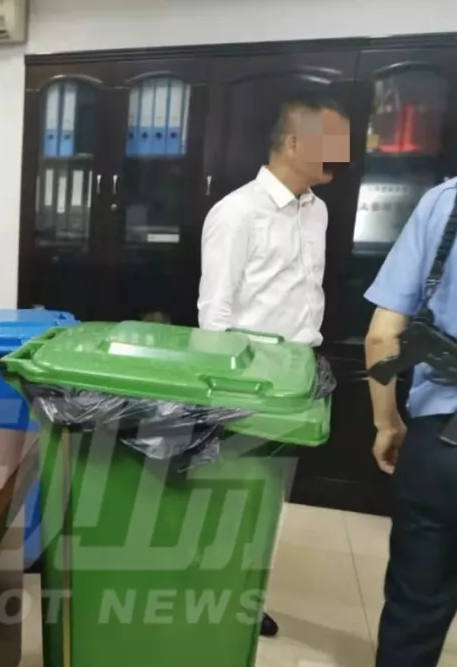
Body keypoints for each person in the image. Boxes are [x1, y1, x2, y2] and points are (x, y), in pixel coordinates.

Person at [198, 97, 351, 638]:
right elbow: (214, 314)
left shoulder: (317, 211)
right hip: (247, 383)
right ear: (293, 143)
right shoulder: (237, 212)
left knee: (270, 498)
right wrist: (223, 397)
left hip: (297, 376)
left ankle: (245, 597)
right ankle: (211, 601)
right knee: (231, 497)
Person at [365, 177, 457, 667]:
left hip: (441, 441)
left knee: (415, 608)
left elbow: (383, 337)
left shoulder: (446, 201)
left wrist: (388, 423)